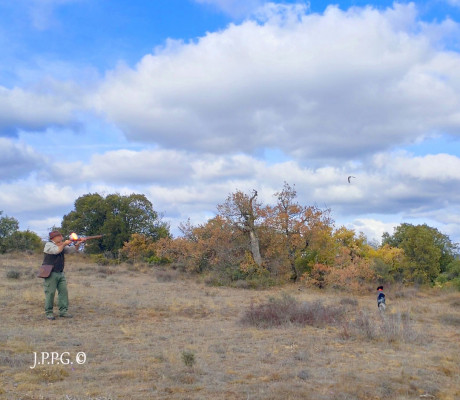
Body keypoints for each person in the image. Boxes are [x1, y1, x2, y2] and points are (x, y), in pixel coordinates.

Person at [42, 230, 85, 320]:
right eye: (59, 236)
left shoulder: (60, 245)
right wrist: (64, 244)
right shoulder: (49, 245)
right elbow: (56, 251)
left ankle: (63, 311)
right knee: (50, 293)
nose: (61, 237)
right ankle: (49, 312)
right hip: (50, 273)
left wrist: (78, 244)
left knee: (63, 292)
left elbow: (72, 250)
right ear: (54, 238)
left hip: (60, 272)